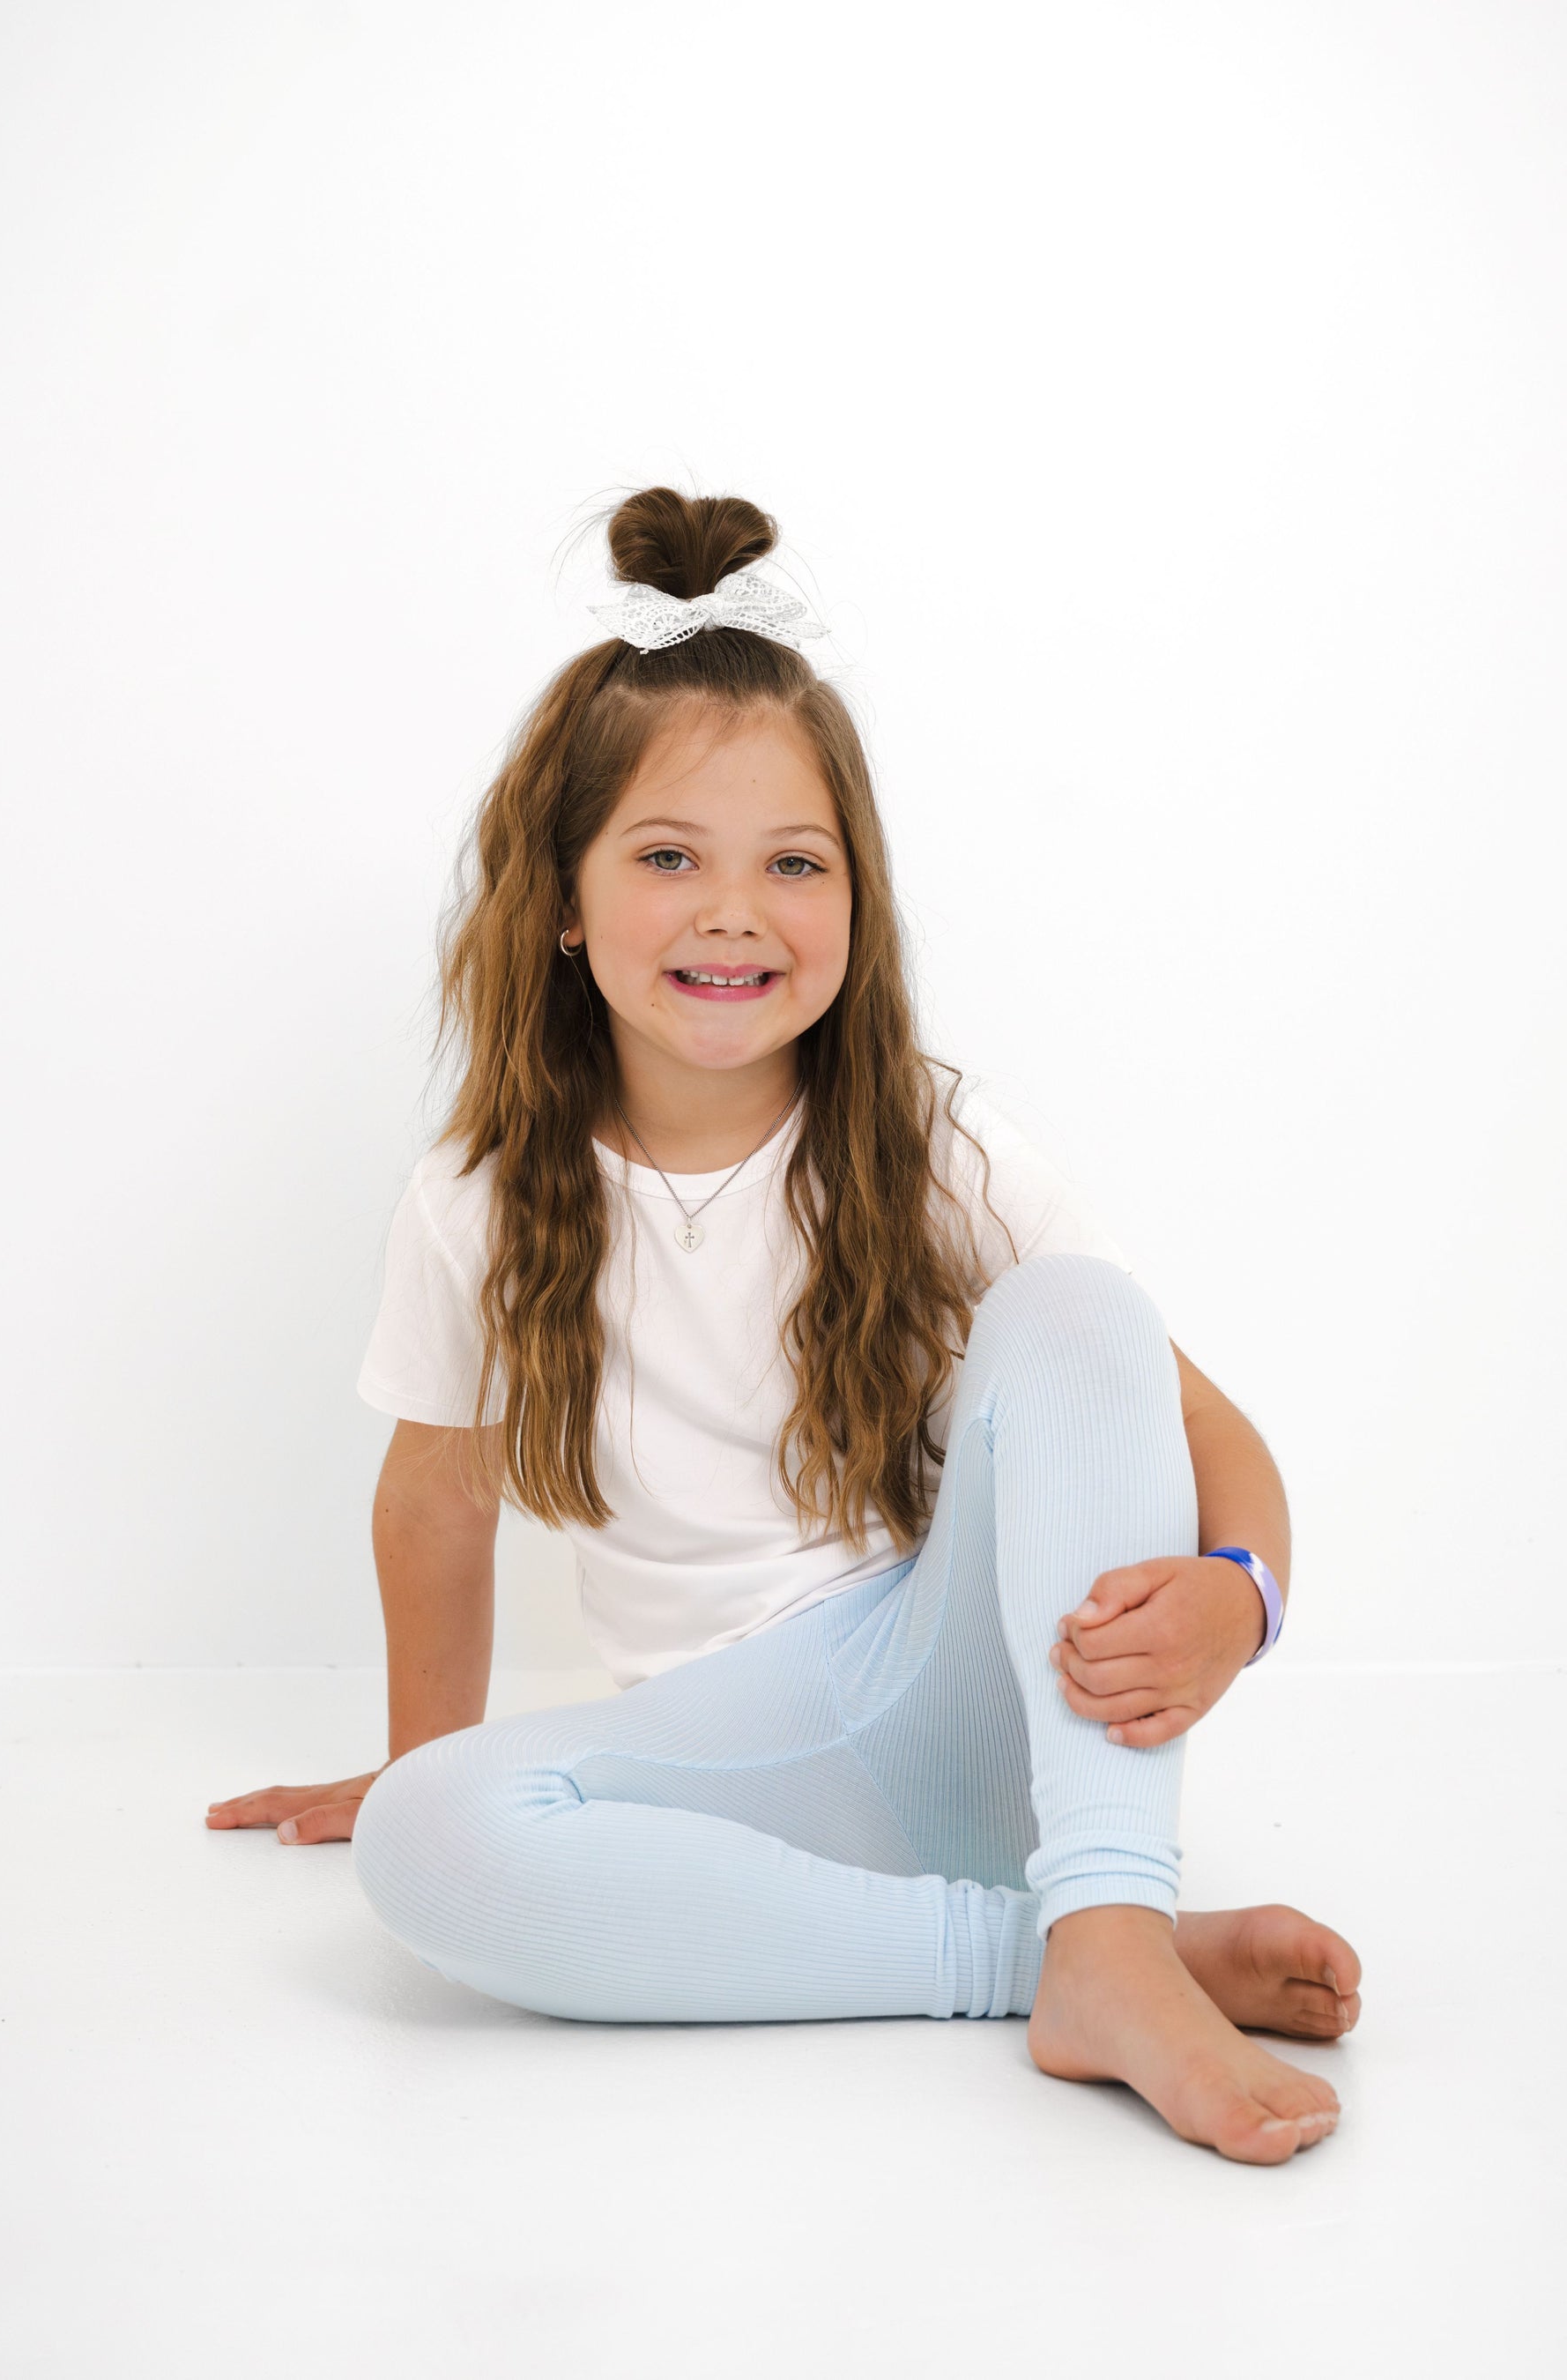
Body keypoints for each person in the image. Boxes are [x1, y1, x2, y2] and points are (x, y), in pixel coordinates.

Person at [206, 487, 1362, 2166]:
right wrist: (416, 1770)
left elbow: (1186, 1418)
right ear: (566, 903)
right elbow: (435, 1503)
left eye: (792, 864)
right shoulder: (476, 1199)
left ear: (854, 905)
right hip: (728, 1762)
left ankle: (1107, 1910)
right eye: (669, 858)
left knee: (1075, 1305)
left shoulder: (928, 1147)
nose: (733, 910)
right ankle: (1045, 1960)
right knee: (426, 1851)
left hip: (975, 1692)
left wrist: (1239, 1597)